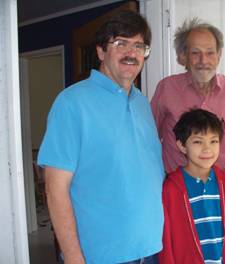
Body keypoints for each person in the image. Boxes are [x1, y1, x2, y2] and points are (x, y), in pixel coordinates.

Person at [38, 11, 164, 264]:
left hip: (150, 249)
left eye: (139, 45)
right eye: (120, 43)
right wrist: (74, 257)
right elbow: (55, 188)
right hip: (100, 256)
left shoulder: (141, 102)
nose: (132, 53)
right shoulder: (72, 103)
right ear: (100, 52)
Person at [151, 18, 225, 177]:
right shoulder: (167, 89)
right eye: (195, 53)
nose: (204, 61)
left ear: (219, 55)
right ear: (183, 56)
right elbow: (149, 139)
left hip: (224, 184)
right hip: (178, 186)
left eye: (210, 52)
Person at [159, 109, 225, 264]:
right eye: (198, 141)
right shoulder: (171, 189)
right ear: (182, 146)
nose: (207, 149)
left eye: (213, 141)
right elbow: (167, 241)